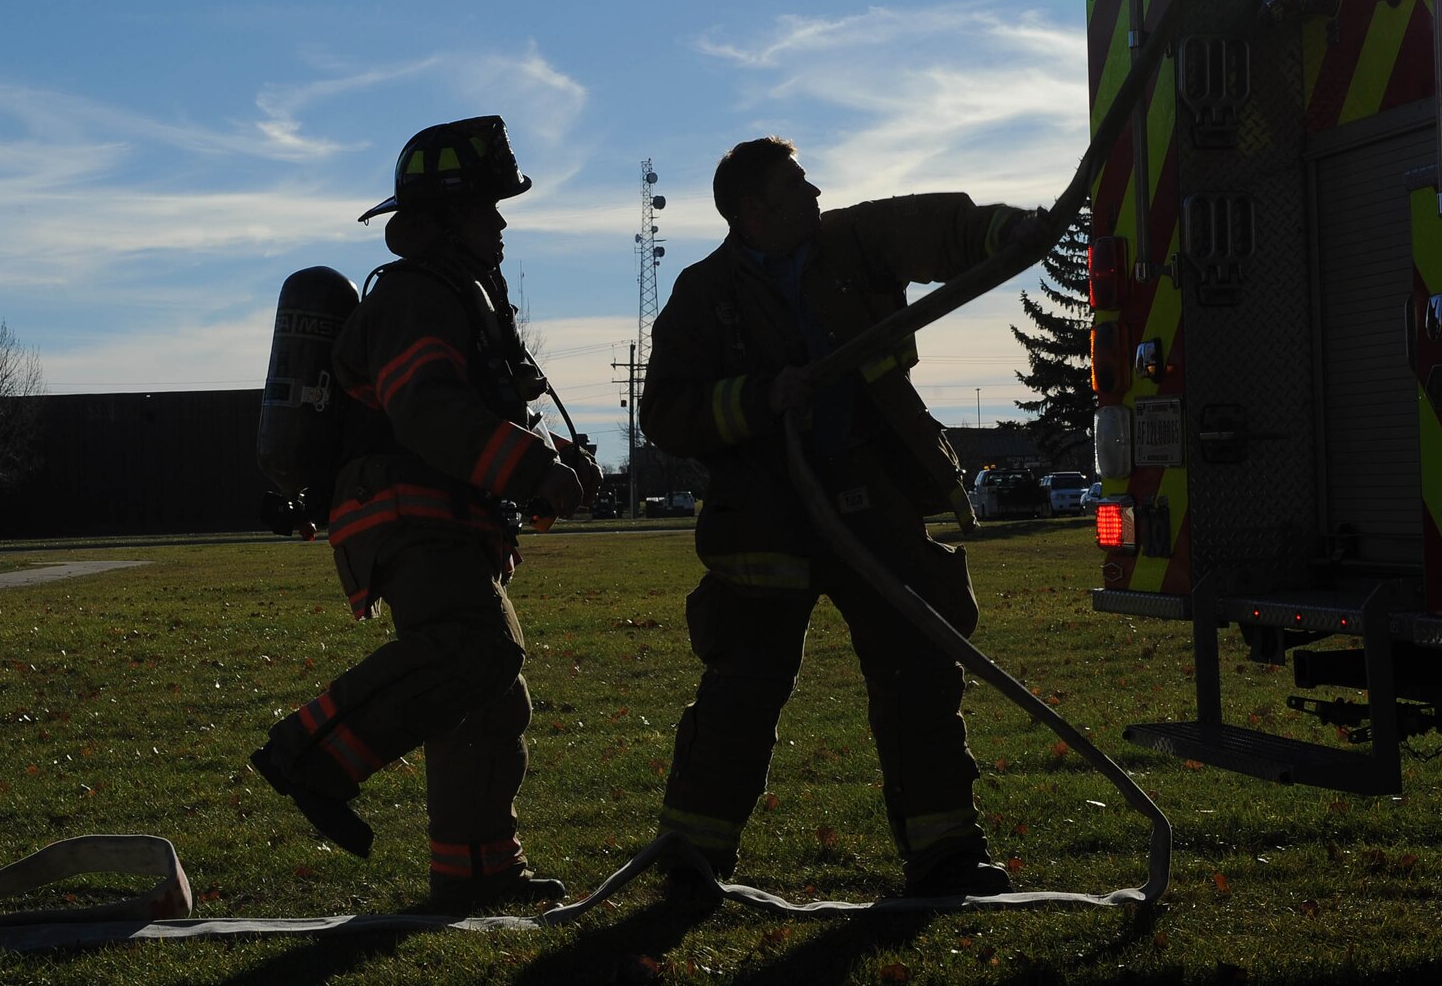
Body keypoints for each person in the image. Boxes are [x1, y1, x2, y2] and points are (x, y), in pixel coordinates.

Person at [641, 136, 1044, 899]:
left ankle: (947, 853)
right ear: (754, 211)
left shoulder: (853, 242)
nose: (816, 190)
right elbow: (666, 409)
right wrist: (762, 398)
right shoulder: (703, 295)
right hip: (766, 520)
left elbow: (941, 229)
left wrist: (1011, 232)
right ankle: (691, 862)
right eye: (797, 184)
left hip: (871, 500)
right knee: (743, 687)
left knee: (917, 671)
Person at [250, 116, 599, 914]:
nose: (502, 223)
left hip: (437, 514)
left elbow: (471, 406)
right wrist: (535, 469)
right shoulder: (416, 296)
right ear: (446, 220)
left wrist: (553, 461)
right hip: (405, 511)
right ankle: (309, 751)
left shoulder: (457, 295)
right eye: (489, 208)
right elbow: (429, 409)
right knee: (479, 648)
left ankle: (474, 872)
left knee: (490, 692)